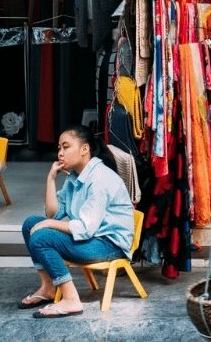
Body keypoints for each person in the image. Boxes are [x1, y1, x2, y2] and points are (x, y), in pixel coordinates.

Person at [17, 125, 135, 318]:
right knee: (30, 224)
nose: (60, 153)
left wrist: (49, 225)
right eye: (59, 148)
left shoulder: (100, 178)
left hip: (109, 244)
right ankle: (48, 287)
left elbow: (85, 228)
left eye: (66, 147)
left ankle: (71, 299)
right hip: (91, 238)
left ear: (84, 149)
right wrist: (51, 179)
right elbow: (53, 215)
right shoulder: (75, 177)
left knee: (41, 236)